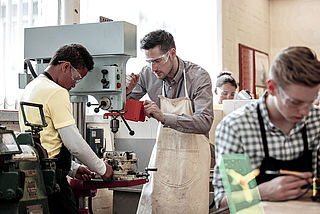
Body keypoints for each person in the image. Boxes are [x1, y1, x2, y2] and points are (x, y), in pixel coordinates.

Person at [213, 46, 320, 210]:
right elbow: (224, 206)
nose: (305, 111)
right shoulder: (236, 128)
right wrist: (262, 192)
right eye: (295, 102)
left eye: (311, 101)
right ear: (272, 88)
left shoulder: (316, 121)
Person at [19, 44, 113, 214]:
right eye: (76, 78)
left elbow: (45, 142)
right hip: (53, 184)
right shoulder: (57, 92)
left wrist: (73, 168)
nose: (74, 85)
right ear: (65, 66)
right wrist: (102, 168)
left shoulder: (30, 88)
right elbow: (74, 143)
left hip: (34, 178)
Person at [126, 30, 214, 213]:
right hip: (163, 160)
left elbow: (205, 121)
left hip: (193, 162)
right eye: (149, 62)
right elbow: (120, 107)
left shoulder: (198, 77)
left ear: (172, 53)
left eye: (157, 61)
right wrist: (123, 91)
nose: (153, 68)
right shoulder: (148, 74)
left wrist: (165, 118)